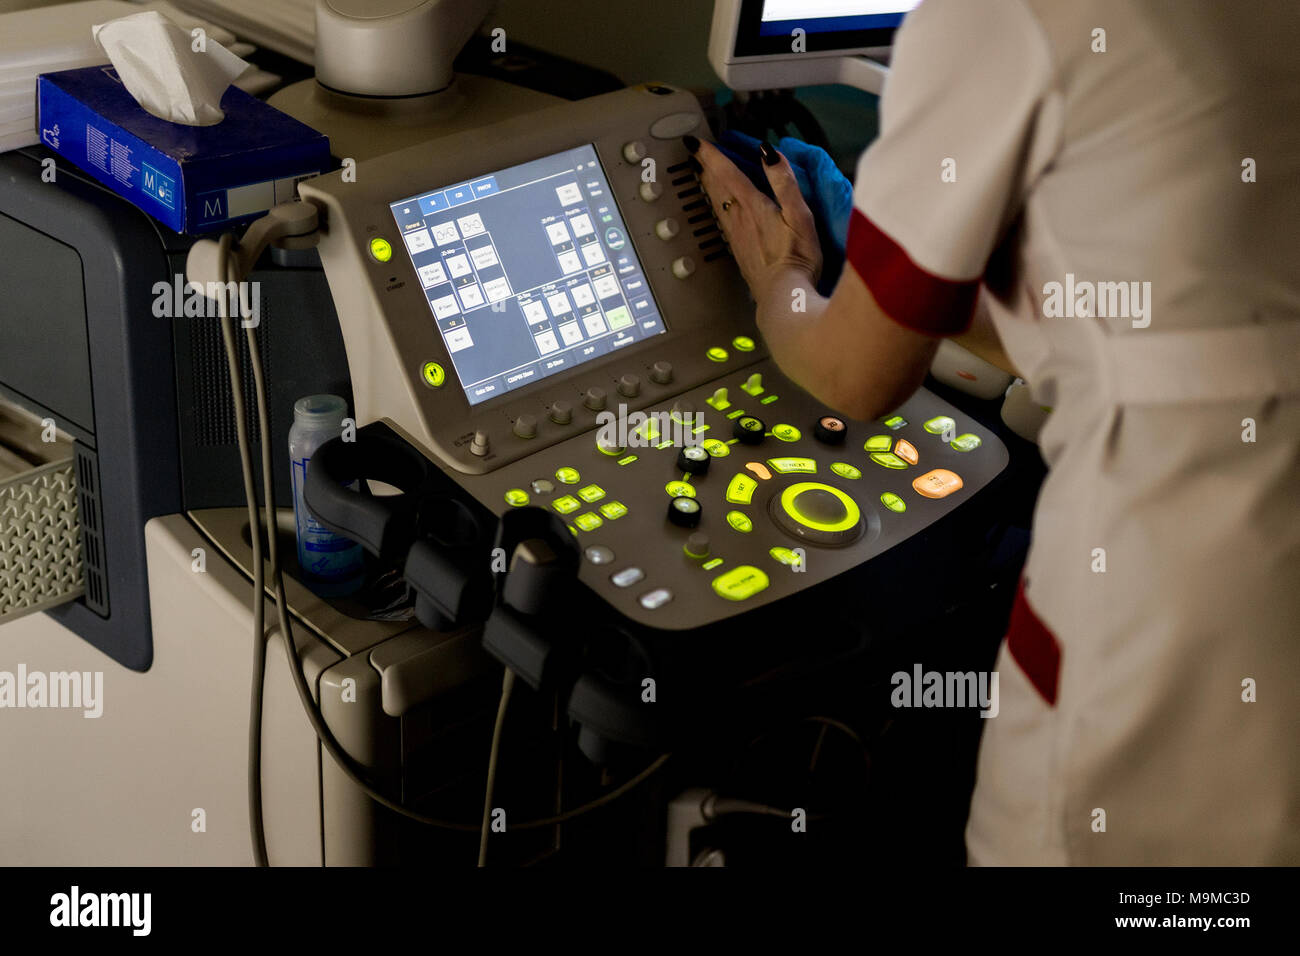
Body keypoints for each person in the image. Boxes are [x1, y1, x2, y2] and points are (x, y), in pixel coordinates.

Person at [689, 0, 1299, 865]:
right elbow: (1154, 301)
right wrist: (907, 293)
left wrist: (786, 280)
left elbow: (854, 377)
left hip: (1171, 612)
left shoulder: (994, 19)